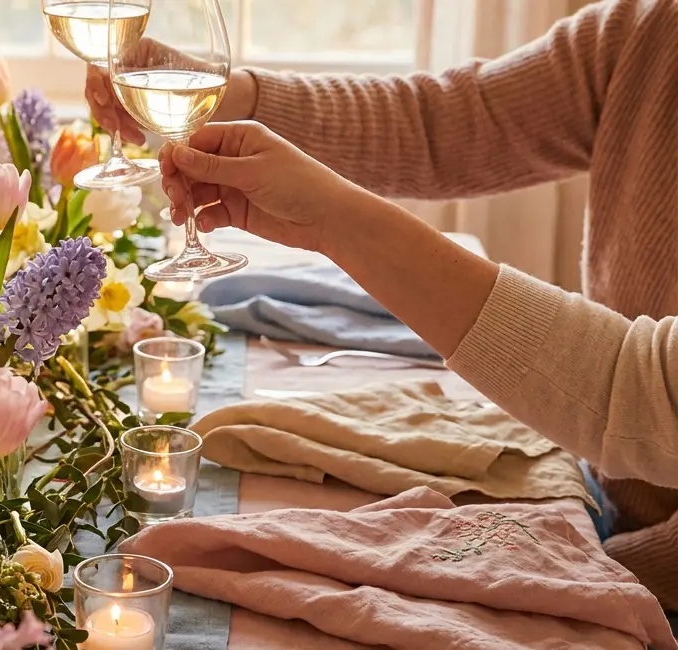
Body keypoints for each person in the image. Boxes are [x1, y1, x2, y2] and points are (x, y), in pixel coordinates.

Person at [87, 0, 678, 615]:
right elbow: (447, 124)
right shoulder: (649, 31)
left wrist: (335, 221)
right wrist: (231, 97)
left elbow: (636, 389)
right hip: (599, 508)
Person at [160, 119, 678, 624]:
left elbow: (632, 391)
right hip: (610, 511)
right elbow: (451, 117)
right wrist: (322, 213)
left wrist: (604, 565)